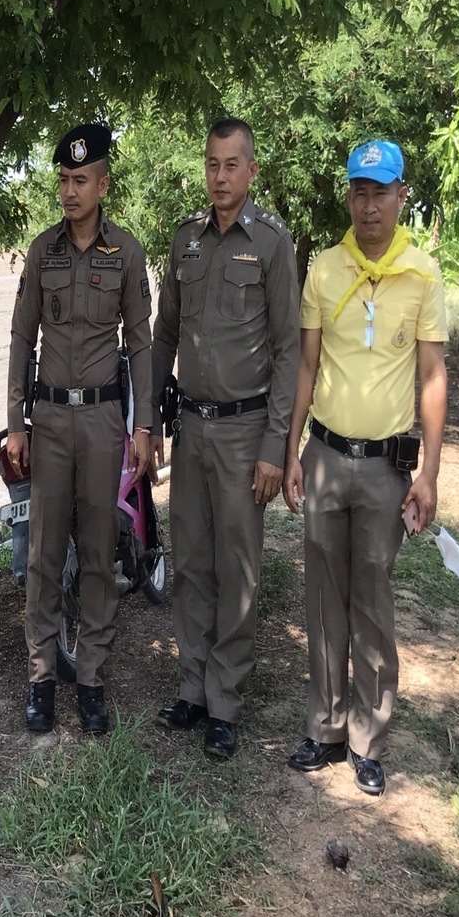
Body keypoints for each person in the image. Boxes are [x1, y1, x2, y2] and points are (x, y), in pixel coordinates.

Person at [283, 140, 448, 796]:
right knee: (323, 598)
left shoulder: (423, 275)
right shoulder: (325, 269)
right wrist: (291, 451)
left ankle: (367, 740)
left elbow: (432, 376)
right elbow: (306, 365)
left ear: (402, 195)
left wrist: (429, 473)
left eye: (381, 192)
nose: (369, 205)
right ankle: (325, 726)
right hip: (325, 457)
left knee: (372, 603)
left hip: (385, 469)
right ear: (348, 196)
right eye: (359, 191)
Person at [150, 118, 300, 758]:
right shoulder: (185, 240)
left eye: (231, 165)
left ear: (251, 170)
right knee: (190, 561)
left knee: (237, 568)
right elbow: (164, 334)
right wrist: (149, 419)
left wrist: (275, 446)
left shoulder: (271, 242)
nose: (219, 176)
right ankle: (192, 686)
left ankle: (225, 700)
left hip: (244, 431)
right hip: (191, 427)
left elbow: (290, 350)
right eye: (212, 164)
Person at [5, 124, 152, 734]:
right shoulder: (43, 251)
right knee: (43, 554)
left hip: (101, 420)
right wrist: (16, 422)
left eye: (81, 180)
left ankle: (90, 677)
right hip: (49, 421)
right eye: (63, 180)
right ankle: (42, 678)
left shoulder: (127, 254)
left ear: (103, 184)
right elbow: (22, 338)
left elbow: (140, 342)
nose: (69, 191)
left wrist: (144, 426)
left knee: (96, 549)